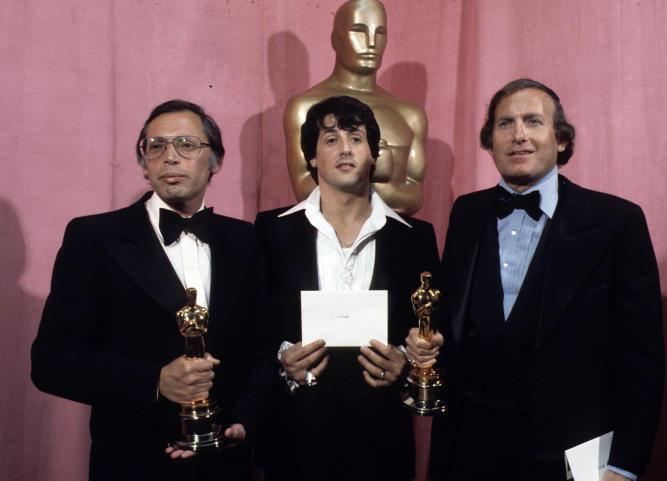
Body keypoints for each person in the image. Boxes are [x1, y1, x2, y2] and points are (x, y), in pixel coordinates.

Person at [407, 79, 664, 481]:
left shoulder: (618, 222)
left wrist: (624, 465)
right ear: (489, 142)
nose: (519, 135)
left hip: (568, 453)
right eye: (505, 124)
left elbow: (641, 361)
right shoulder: (466, 213)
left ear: (561, 140)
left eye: (533, 121)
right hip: (467, 447)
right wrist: (427, 344)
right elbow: (453, 320)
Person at [31, 100, 273, 481]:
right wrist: (156, 382)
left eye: (186, 145)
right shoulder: (94, 238)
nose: (170, 157)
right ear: (144, 164)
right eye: (156, 146)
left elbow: (262, 348)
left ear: (216, 161)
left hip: (227, 463)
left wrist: (244, 421)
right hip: (132, 462)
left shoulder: (244, 239)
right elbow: (51, 363)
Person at [256, 95, 439, 481]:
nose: (344, 148)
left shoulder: (415, 238)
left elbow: (431, 330)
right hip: (295, 437)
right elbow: (252, 323)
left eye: (356, 138)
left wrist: (405, 363)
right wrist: (281, 359)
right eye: (330, 138)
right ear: (311, 157)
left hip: (381, 437)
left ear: (373, 154)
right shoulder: (271, 231)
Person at [284, 0, 428, 215]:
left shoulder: (410, 114)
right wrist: (380, 183)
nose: (371, 43)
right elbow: (306, 190)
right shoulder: (305, 107)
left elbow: (413, 197)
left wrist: (351, 183)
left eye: (380, 33)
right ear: (336, 39)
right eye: (359, 31)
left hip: (395, 240)